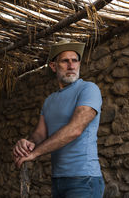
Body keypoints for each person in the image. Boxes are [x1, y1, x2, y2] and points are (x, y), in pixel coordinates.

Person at [12, 40, 104, 198]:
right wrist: (27, 144)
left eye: (75, 60)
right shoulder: (49, 100)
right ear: (54, 66)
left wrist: (36, 153)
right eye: (65, 61)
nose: (71, 65)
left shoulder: (88, 88)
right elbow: (40, 134)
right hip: (58, 180)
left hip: (83, 178)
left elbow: (75, 129)